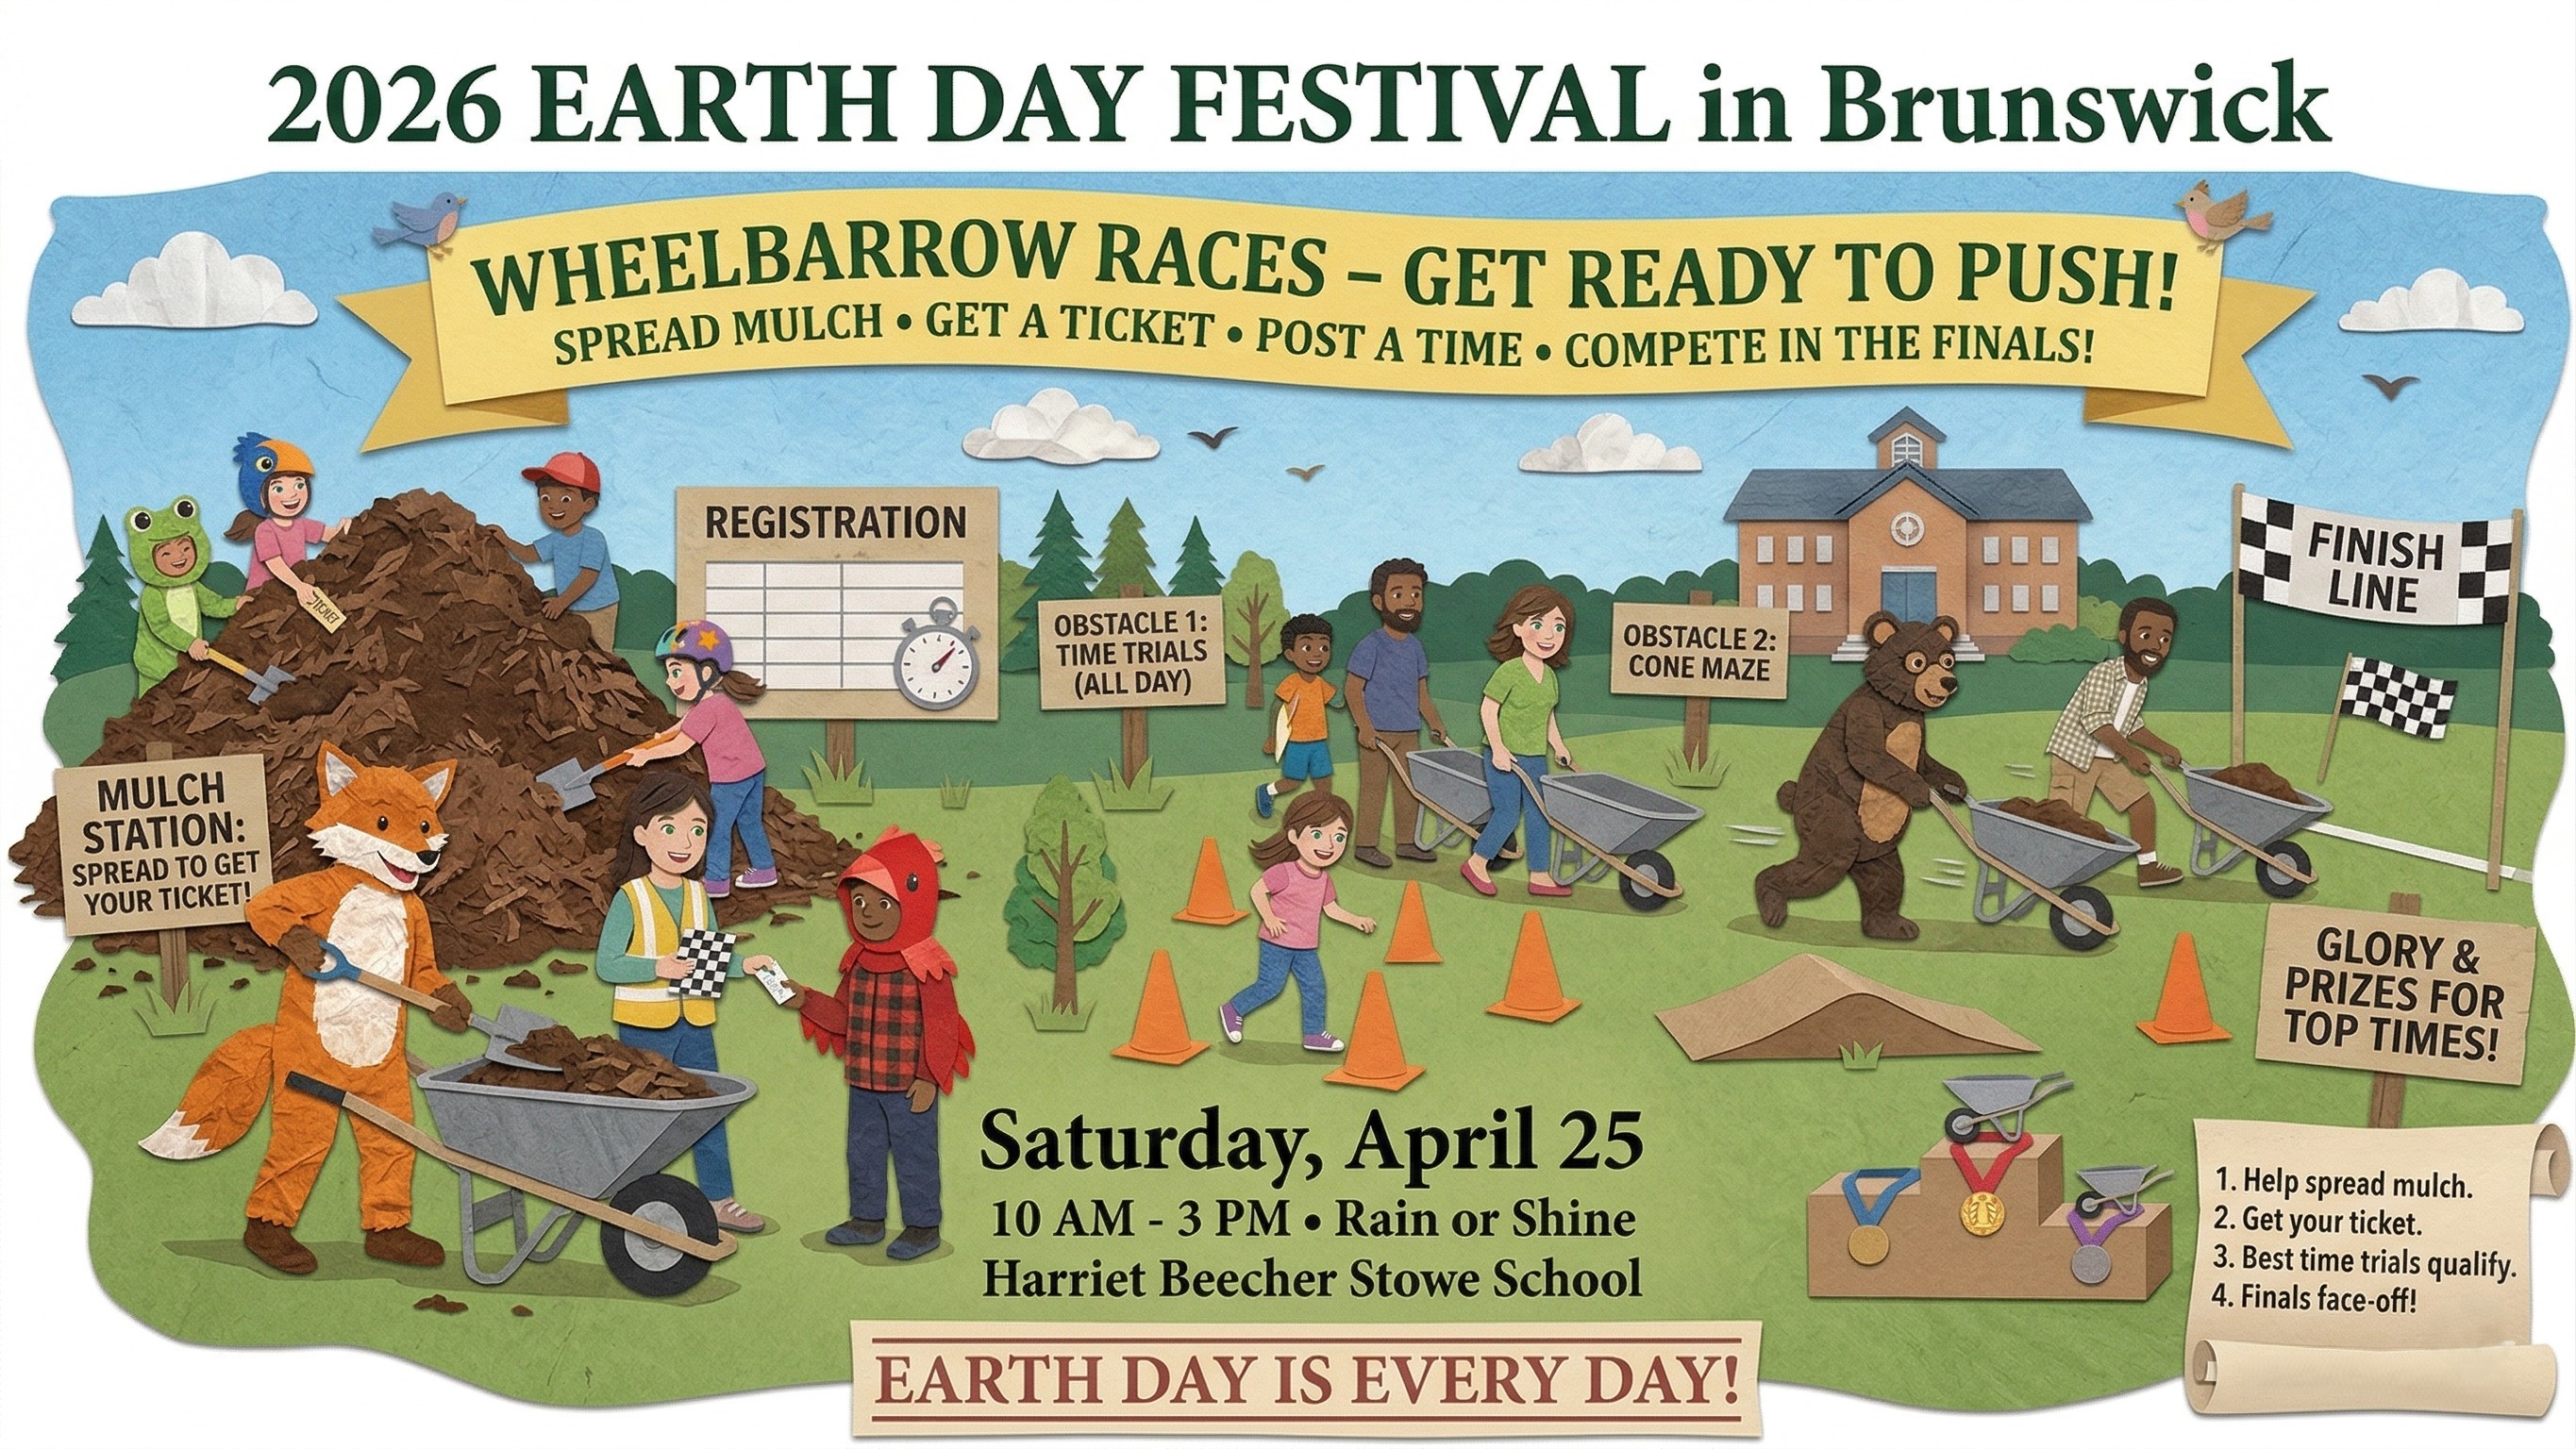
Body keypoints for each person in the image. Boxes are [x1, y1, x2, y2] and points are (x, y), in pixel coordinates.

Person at [593, 771, 785, 1233]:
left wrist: (745, 965)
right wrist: (657, 966)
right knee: (647, 1120)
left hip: (695, 1022)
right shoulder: (631, 897)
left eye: (697, 830)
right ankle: (637, 1200)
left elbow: (710, 954)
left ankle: (719, 1200)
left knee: (708, 1111)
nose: (685, 841)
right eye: (670, 828)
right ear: (642, 834)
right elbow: (608, 964)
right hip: (645, 1026)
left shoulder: (699, 895)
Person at [786, 827, 976, 1261]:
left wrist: (929, 1076)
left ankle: (923, 1226)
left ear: (911, 901)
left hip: (909, 1087)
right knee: (863, 1153)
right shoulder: (857, 961)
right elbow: (843, 1018)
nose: (869, 913)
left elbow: (943, 1026)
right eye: (860, 902)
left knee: (915, 1156)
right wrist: (806, 999)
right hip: (863, 1082)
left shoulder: (928, 964)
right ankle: (867, 1220)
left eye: (883, 902)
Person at [622, 621, 777, 897]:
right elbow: (682, 725)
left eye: (677, 671)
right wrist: (662, 736)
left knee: (716, 825)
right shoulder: (714, 703)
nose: (671, 681)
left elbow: (681, 745)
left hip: (731, 778)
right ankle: (765, 869)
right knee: (749, 821)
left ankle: (716, 882)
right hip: (753, 770)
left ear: (706, 672)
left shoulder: (708, 710)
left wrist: (646, 755)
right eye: (670, 673)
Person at [2043, 596, 2186, 888]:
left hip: (2108, 758)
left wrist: (2162, 748)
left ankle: (2147, 868)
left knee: (2142, 802)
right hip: (2075, 758)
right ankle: (2051, 874)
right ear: (2124, 637)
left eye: (2165, 638)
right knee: (2066, 820)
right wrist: (2131, 754)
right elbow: (2095, 720)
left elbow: (2130, 726)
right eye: (2146, 635)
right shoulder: (2105, 673)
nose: (2156, 644)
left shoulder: (2140, 683)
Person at [1221, 791, 1376, 1053]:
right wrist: (1269, 918)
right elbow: (1257, 891)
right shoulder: (1285, 871)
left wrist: (1357, 920)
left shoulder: (1324, 879)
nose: (1329, 845)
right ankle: (1233, 1008)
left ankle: (1314, 1034)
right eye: (1317, 834)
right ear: (1294, 836)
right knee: (1270, 986)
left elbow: (1331, 909)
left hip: (1306, 946)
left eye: (1339, 837)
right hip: (1277, 942)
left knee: (1315, 987)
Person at [1463, 584, 1578, 899]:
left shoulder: (1550, 677)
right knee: (1508, 813)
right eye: (1537, 625)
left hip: (1535, 757)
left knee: (1541, 813)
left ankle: (1539, 875)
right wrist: (1498, 748)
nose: (1548, 635)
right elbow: (1488, 709)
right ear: (1518, 627)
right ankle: (1476, 863)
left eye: (1558, 627)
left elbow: (1548, 716)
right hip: (1504, 757)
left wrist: (1559, 746)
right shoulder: (1510, 671)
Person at [1345, 558, 1450, 868]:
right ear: (1379, 602)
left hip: (1408, 734)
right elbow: (1353, 689)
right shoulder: (1371, 645)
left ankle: (1407, 842)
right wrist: (1364, 727)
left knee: (1409, 790)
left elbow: (1421, 694)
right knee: (1374, 789)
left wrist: (1436, 724)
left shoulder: (1415, 648)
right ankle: (1365, 845)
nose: (1409, 602)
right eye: (1398, 594)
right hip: (1376, 735)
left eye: (1416, 594)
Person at [492, 450, 622, 651]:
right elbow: (528, 553)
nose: (553, 506)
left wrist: (561, 602)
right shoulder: (555, 540)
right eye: (545, 498)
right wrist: (503, 538)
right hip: (572, 608)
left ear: (588, 504)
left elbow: (588, 575)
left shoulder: (593, 537)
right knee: (577, 651)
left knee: (602, 653)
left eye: (566, 499)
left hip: (600, 608)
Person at [222, 433, 345, 605]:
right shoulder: (265, 530)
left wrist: (350, 527)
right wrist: (299, 587)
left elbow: (330, 535)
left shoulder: (302, 525)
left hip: (293, 588)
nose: (293, 494)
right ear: (261, 496)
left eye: (299, 485)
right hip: (264, 592)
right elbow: (275, 564)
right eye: (278, 489)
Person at [1255, 614, 1337, 820]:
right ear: (1290, 654)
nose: (1317, 654)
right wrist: (1273, 738)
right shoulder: (1292, 682)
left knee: (1324, 781)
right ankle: (1267, 791)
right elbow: (1276, 708)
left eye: (1324, 648)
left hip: (1319, 742)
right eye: (1307, 648)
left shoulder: (1320, 683)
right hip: (1297, 742)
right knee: (1293, 781)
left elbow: (1336, 701)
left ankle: (1322, 814)